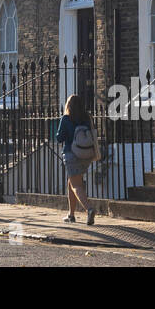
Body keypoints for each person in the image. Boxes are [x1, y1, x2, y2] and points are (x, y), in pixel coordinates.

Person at [56, 93, 96, 225]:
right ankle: (71, 215)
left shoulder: (66, 118)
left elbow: (59, 138)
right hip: (86, 156)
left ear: (69, 105)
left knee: (76, 185)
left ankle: (89, 209)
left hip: (72, 154)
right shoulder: (86, 118)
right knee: (71, 183)